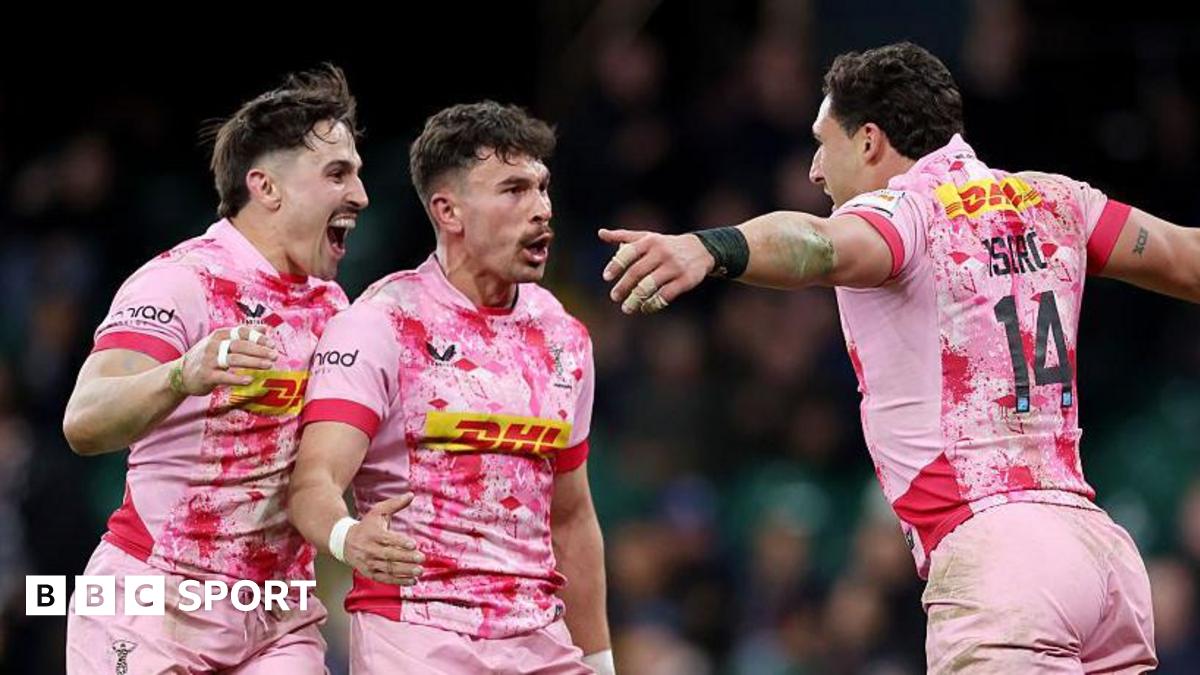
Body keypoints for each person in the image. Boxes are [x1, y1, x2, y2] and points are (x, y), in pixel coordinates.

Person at [600, 42, 1195, 672]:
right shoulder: (1055, 201)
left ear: (869, 142)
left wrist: (709, 248)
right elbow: (1187, 258)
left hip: (999, 560)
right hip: (1099, 554)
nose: (815, 171)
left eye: (822, 143)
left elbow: (819, 246)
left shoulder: (906, 212)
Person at [62, 64, 368, 674]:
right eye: (338, 174)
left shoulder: (335, 308)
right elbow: (84, 422)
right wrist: (183, 373)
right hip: (154, 600)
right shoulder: (181, 281)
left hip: (275, 616)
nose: (361, 195)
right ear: (266, 186)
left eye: (357, 174)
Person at [288, 101, 613, 674]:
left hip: (539, 640)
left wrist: (601, 661)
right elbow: (314, 481)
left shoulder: (564, 337)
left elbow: (571, 518)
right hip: (416, 635)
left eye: (542, 188)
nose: (541, 209)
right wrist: (346, 537)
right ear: (448, 211)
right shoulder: (380, 324)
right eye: (514, 190)